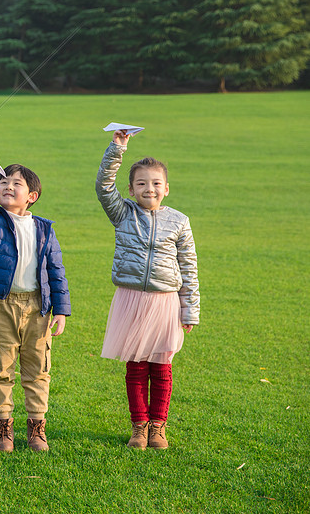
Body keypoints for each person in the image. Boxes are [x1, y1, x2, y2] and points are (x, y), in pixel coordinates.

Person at [96, 130, 199, 450]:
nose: (148, 188)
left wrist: (190, 308)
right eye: (141, 183)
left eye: (155, 183)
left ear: (166, 189)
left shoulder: (180, 222)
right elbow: (103, 187)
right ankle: (139, 427)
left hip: (165, 303)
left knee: (162, 367)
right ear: (131, 189)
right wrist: (117, 148)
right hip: (130, 301)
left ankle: (158, 426)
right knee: (137, 367)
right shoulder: (123, 213)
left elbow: (189, 268)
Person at [0, 156, 70, 452]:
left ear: (32, 196)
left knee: (37, 367)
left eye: (17, 183)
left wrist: (61, 310)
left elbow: (56, 271)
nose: (8, 187)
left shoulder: (44, 229)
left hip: (38, 307)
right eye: (3, 183)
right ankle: (4, 425)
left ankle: (36, 426)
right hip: (1, 305)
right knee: (1, 366)